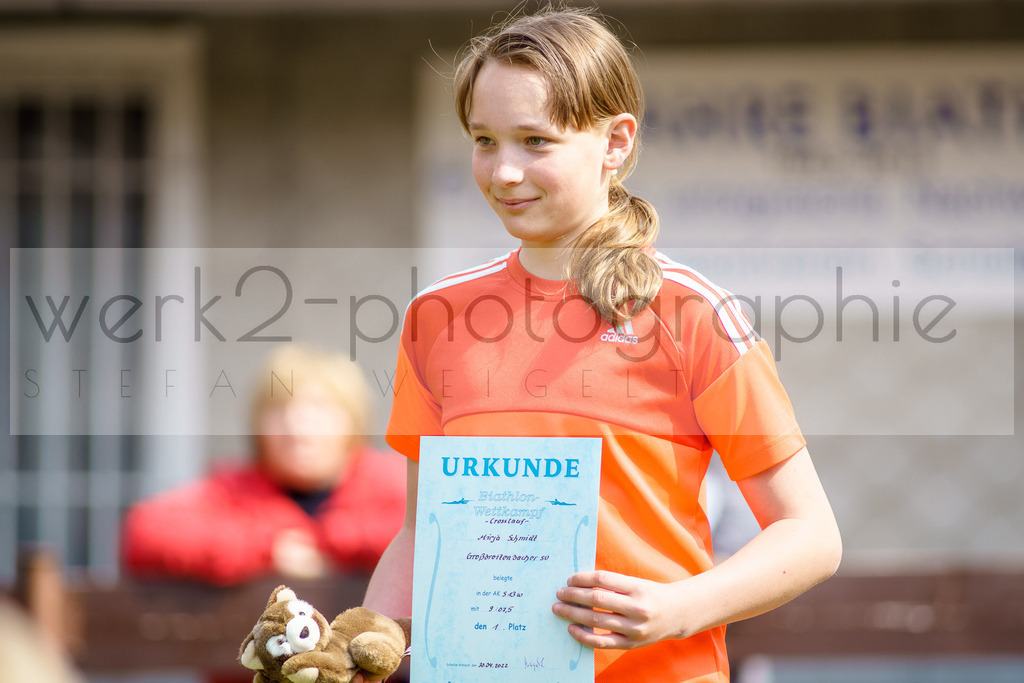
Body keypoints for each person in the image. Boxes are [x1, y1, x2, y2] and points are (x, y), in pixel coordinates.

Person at [360, 7, 841, 682]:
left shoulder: (693, 312)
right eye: (485, 140)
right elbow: (420, 535)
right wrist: (362, 648)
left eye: (535, 140)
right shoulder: (434, 316)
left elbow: (812, 536)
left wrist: (681, 606)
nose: (503, 172)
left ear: (615, 142)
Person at [121, 345, 407, 586]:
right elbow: (145, 530)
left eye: (319, 409)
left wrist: (328, 541)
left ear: (353, 420)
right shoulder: (233, 488)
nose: (297, 426)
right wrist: (270, 547)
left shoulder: (394, 480)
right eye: (280, 410)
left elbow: (431, 532)